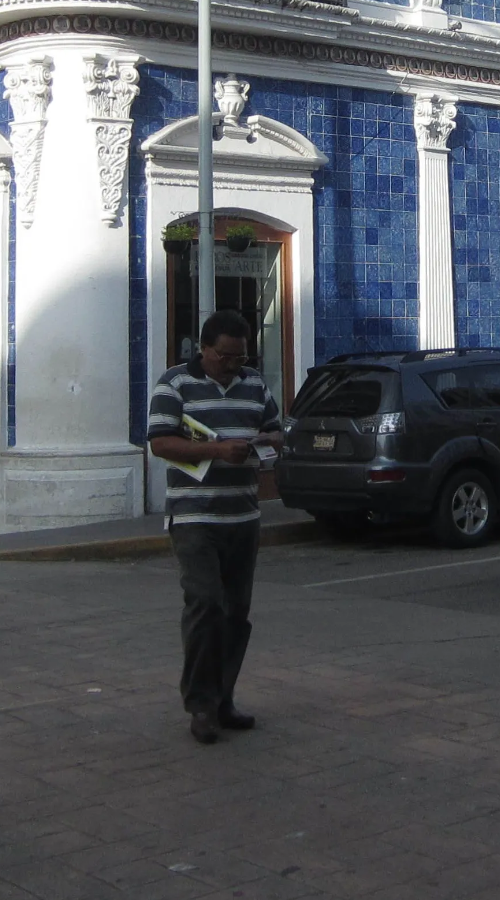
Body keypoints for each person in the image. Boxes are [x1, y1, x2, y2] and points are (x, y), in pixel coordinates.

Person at [147, 309, 284, 745]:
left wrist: (264, 448)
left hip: (242, 515)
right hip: (194, 515)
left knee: (235, 612)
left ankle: (224, 698)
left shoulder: (255, 384)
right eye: (224, 356)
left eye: (239, 357)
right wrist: (217, 449)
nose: (232, 364)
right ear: (204, 349)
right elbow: (160, 442)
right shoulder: (174, 383)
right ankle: (201, 705)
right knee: (205, 603)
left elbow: (277, 432)